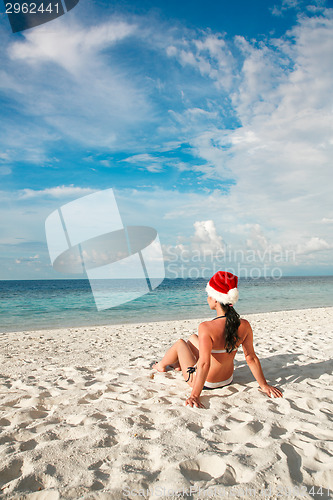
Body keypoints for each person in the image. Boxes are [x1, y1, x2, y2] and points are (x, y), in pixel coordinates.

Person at [153, 271, 283, 408]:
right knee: (192, 338)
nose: (207, 298)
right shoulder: (244, 325)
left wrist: (195, 396)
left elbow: (204, 364)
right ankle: (176, 364)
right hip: (227, 380)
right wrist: (264, 385)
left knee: (180, 343)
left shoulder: (206, 327)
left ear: (215, 299)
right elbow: (251, 358)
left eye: (209, 295)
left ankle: (161, 365)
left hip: (206, 383)